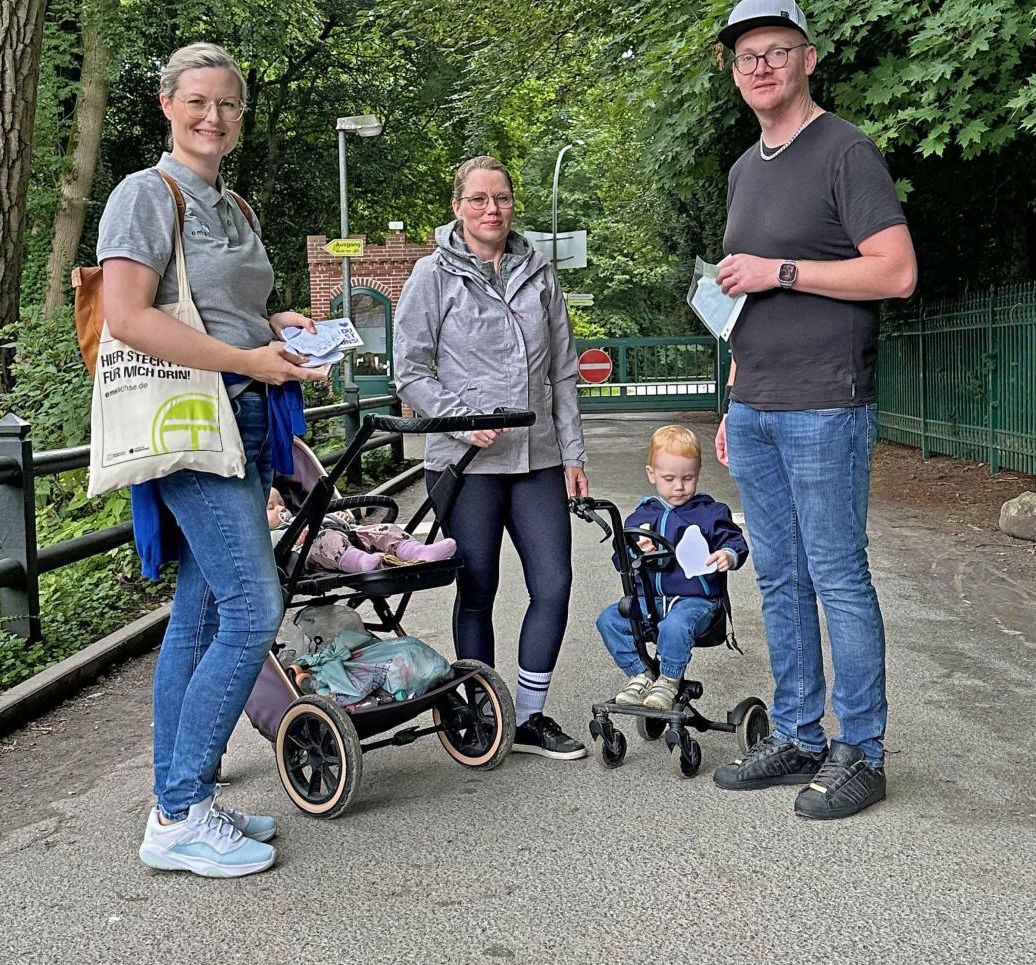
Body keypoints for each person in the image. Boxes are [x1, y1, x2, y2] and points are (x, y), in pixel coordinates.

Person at [97, 41, 326, 877]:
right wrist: (244, 360)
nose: (213, 116)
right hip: (194, 427)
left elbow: (224, 313)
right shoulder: (144, 195)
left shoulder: (235, 206)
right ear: (167, 103)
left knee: (198, 617)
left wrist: (279, 328)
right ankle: (180, 812)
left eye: (227, 103)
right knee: (252, 609)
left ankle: (181, 795)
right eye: (197, 100)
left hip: (246, 420)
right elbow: (126, 315)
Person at [709, 0, 918, 819]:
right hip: (757, 404)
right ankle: (797, 731)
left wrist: (782, 269)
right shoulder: (742, 168)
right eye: (746, 57)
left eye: (775, 51)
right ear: (735, 73)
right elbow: (739, 296)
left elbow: (895, 272)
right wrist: (733, 393)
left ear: (808, 58)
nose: (760, 67)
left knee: (836, 575)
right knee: (784, 577)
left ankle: (860, 750)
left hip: (827, 405)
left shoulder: (845, 152)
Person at [392, 155, 590, 760]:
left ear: (512, 204)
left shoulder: (541, 274)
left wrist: (574, 454)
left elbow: (562, 372)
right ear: (457, 207)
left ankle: (528, 717)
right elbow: (410, 369)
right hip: (466, 464)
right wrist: (460, 417)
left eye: (500, 198)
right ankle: (480, 711)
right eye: (477, 199)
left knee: (553, 585)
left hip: (538, 460)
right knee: (477, 589)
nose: (491, 209)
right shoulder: (432, 275)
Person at [596, 425, 748, 709]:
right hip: (650, 601)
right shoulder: (640, 516)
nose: (679, 487)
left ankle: (668, 680)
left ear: (698, 474)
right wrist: (633, 550)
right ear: (651, 474)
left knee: (676, 624)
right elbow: (621, 561)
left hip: (696, 601)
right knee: (609, 620)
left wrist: (727, 554)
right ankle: (641, 674)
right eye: (669, 479)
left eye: (687, 478)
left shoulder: (710, 512)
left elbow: (734, 540)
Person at [265, 485, 457, 572]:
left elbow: (326, 520)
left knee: (385, 529)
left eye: (281, 502)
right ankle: (362, 563)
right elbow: (270, 547)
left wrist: (338, 517)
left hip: (347, 536)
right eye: (271, 507)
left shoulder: (298, 519)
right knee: (327, 539)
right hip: (313, 552)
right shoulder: (268, 535)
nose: (281, 508)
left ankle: (419, 552)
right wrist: (291, 536)